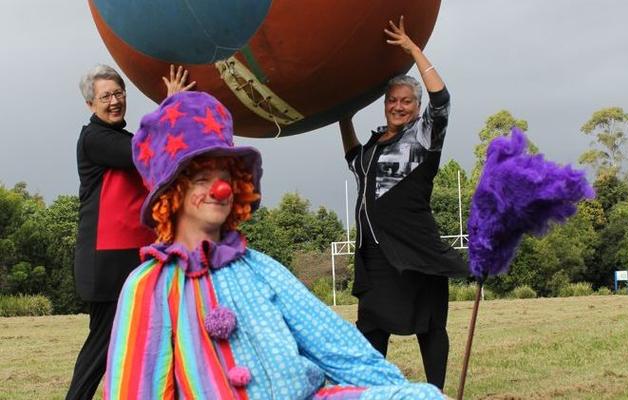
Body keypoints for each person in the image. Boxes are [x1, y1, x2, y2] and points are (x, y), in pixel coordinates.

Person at [103, 90, 448, 399]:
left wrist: (401, 390)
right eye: (202, 178)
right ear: (172, 194)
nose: (219, 189)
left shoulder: (261, 269)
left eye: (226, 178)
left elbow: (334, 344)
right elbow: (137, 387)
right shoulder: (149, 285)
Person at [338, 16, 468, 390]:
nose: (398, 106)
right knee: (371, 326)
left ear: (415, 105)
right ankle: (372, 391)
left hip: (415, 248)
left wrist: (413, 49)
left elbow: (442, 99)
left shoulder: (424, 135)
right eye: (392, 100)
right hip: (375, 255)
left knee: (430, 325)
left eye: (406, 101)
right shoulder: (373, 146)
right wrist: (342, 117)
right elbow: (353, 158)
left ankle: (436, 393)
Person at [67, 64, 195, 399]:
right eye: (105, 96)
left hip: (137, 257)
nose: (114, 101)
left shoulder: (122, 137)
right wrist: (170, 106)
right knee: (102, 346)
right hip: (107, 264)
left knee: (152, 339)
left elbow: (161, 155)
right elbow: (144, 150)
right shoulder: (94, 139)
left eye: (119, 93)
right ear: (91, 104)